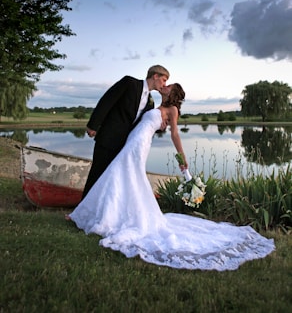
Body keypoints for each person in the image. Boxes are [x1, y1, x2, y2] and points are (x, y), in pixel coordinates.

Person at [68, 83, 275, 271]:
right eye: (163, 83)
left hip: (138, 145)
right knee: (119, 175)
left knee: (121, 173)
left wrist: (181, 158)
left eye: (168, 86)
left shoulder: (173, 110)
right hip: (132, 140)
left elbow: (175, 134)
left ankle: (106, 215)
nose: (164, 86)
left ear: (173, 93)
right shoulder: (154, 105)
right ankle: (109, 213)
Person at [81, 64, 170, 199]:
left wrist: (159, 128)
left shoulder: (150, 102)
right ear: (155, 76)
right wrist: (93, 125)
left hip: (125, 145)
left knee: (113, 179)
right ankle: (82, 210)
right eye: (164, 80)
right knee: (96, 174)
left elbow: (143, 124)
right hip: (108, 138)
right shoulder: (129, 83)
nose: (164, 84)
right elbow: (107, 101)